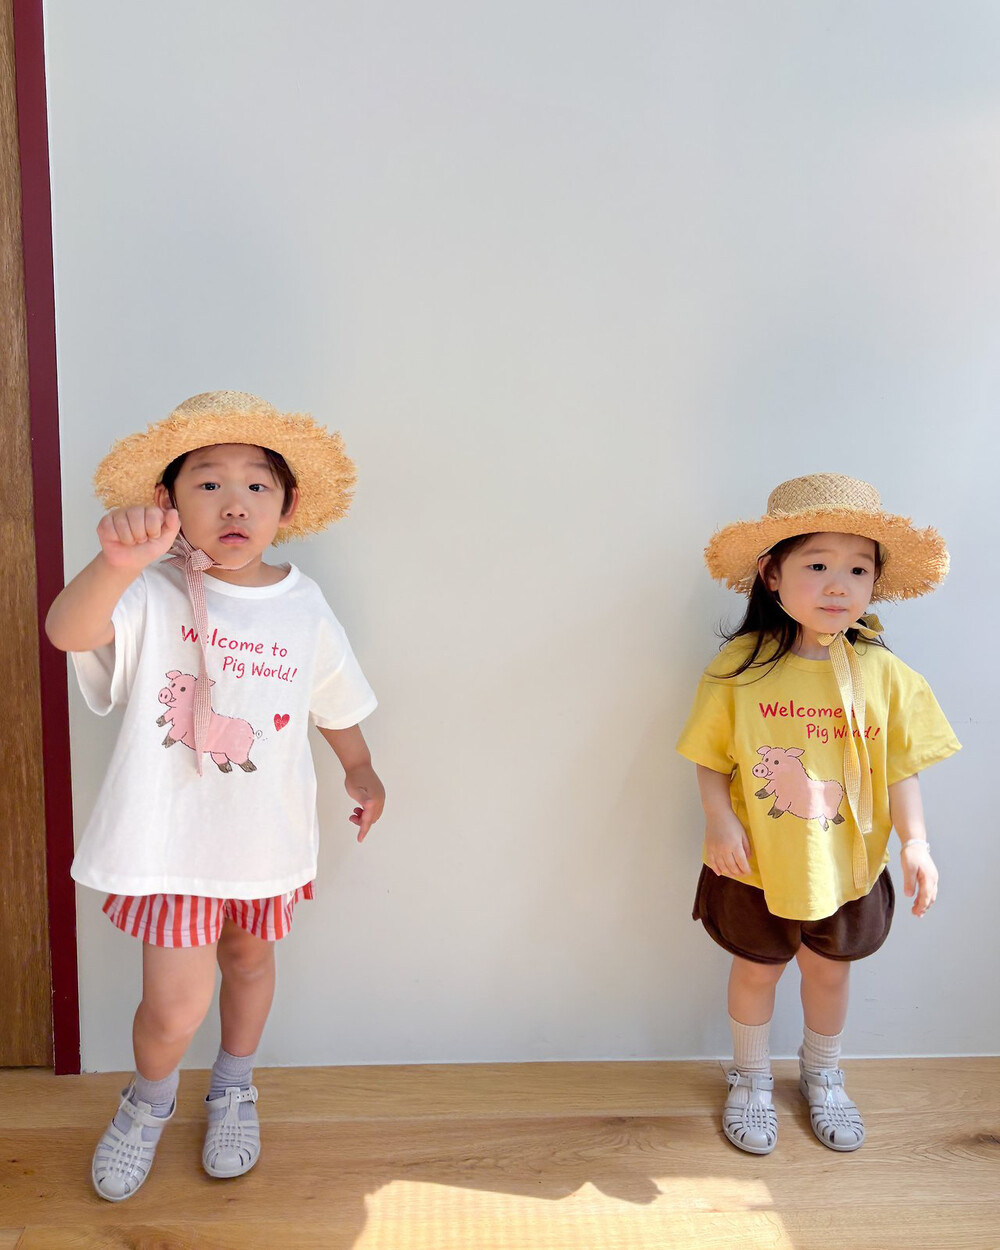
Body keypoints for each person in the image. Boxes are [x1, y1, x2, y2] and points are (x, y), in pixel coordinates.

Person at [46, 390, 385, 1200]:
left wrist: (361, 768)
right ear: (166, 500)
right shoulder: (149, 591)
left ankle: (234, 1085)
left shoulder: (302, 603)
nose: (235, 503)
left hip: (263, 839)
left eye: (257, 485)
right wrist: (116, 563)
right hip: (172, 844)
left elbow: (332, 698)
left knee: (249, 959)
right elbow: (67, 631)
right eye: (207, 483)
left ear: (286, 506)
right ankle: (148, 1101)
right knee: (172, 1007)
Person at [676, 473, 959, 1156]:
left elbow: (900, 767)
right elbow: (711, 757)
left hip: (846, 866)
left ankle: (823, 1073)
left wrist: (916, 843)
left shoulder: (885, 675)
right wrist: (719, 819)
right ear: (772, 574)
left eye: (858, 569)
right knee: (756, 970)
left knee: (830, 971)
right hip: (755, 863)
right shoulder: (739, 668)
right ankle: (750, 1077)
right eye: (818, 565)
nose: (839, 585)